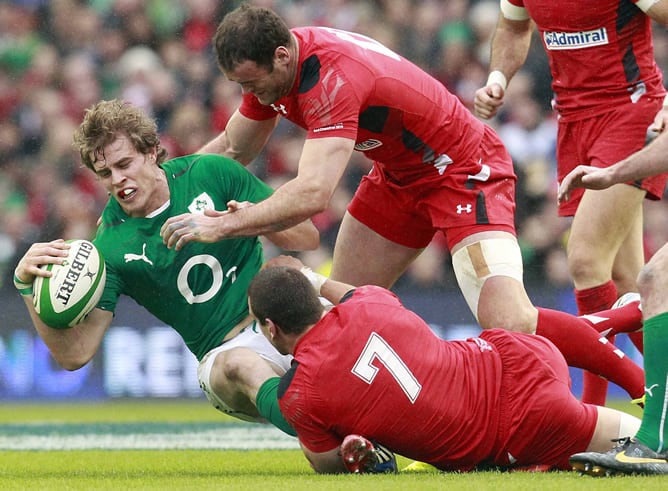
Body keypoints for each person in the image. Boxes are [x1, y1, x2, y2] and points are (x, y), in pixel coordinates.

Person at [159, 4, 646, 403]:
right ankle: (386, 426)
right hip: (399, 177)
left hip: (462, 171)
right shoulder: (278, 64)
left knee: (509, 321)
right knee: (342, 317)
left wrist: (226, 224)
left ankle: (642, 378)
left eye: (250, 83)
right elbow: (232, 149)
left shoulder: (329, 78)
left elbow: (313, 193)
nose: (249, 96)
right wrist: (164, 190)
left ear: (282, 57)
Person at [12, 99, 319, 436]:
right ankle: (321, 430)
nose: (118, 180)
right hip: (224, 353)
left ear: (152, 151)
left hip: (283, 323)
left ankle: (344, 436)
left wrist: (240, 220)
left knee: (308, 280)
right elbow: (75, 354)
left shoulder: (211, 173)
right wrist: (27, 287)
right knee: (241, 365)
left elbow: (306, 236)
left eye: (124, 163)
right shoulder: (110, 249)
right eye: (105, 173)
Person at [245, 255, 642, 473]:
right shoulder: (369, 301)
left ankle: (624, 331)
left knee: (648, 450)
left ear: (270, 326)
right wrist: (309, 276)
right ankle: (621, 317)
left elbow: (327, 464)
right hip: (513, 354)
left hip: (521, 426)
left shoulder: (298, 394)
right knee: (654, 445)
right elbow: (345, 293)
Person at [473, 0, 668, 405]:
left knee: (584, 260)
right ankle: (660, 396)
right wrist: (497, 79)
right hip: (573, 122)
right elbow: (512, 28)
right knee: (627, 277)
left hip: (630, 113)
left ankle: (593, 415)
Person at [559, 133, 668, 475]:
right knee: (645, 282)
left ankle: (649, 439)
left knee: (636, 275)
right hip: (581, 117)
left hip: (617, 110)